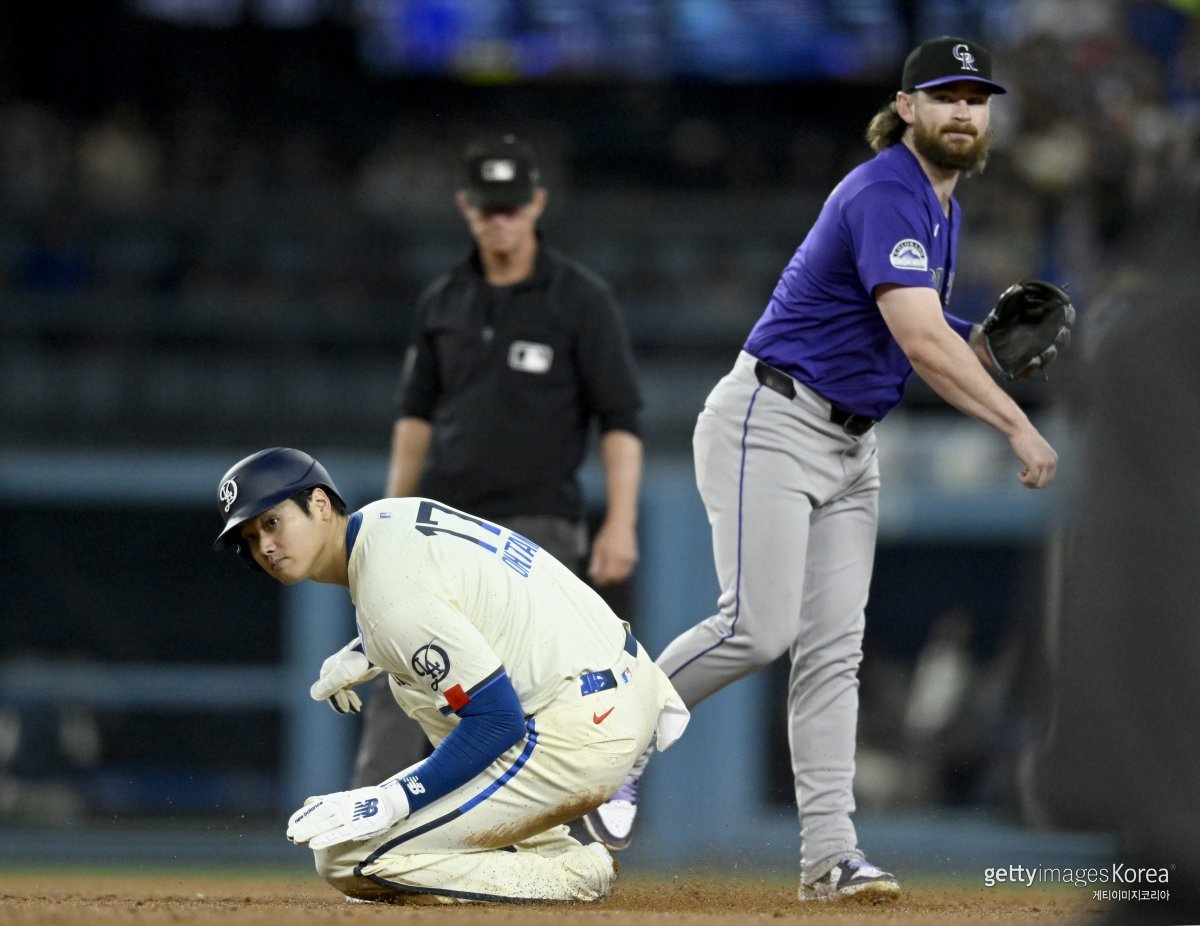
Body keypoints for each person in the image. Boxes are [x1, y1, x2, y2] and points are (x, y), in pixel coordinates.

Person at [584, 36, 1059, 903]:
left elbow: (916, 328)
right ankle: (604, 745)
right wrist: (1017, 426)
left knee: (835, 655)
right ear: (907, 108)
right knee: (756, 628)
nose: (962, 111)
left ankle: (830, 861)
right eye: (944, 96)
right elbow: (919, 343)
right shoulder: (887, 188)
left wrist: (983, 344)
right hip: (773, 419)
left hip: (850, 443)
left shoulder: (940, 206)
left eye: (975, 97)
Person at [212, 447, 687, 904]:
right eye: (251, 539)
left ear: (319, 503)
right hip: (624, 682)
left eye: (272, 522)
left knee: (344, 858)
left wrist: (392, 798)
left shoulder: (390, 601)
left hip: (580, 729)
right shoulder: (387, 517)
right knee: (410, 683)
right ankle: (542, 847)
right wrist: (371, 649)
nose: (265, 547)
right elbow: (460, 600)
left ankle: (568, 877)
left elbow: (497, 721)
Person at [349, 132, 645, 789]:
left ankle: (551, 828)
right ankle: (367, 823)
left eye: (511, 206)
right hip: (442, 523)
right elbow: (415, 416)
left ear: (538, 203)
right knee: (407, 664)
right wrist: (387, 525)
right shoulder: (444, 300)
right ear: (465, 207)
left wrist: (620, 522)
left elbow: (620, 419)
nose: (500, 219)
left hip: (537, 527)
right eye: (489, 207)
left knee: (537, 683)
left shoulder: (579, 300)